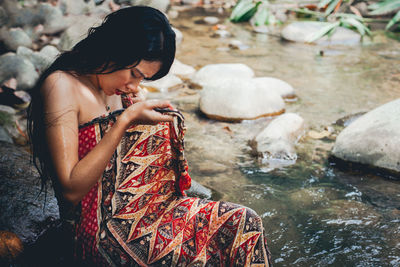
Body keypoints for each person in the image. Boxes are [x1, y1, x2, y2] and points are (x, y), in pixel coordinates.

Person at [27, 6, 271, 266]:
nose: (135, 86)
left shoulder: (121, 91)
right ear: (113, 49)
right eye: (134, 74)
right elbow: (69, 191)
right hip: (101, 234)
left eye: (143, 79)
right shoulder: (62, 85)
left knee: (244, 221)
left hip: (148, 215)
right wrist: (126, 121)